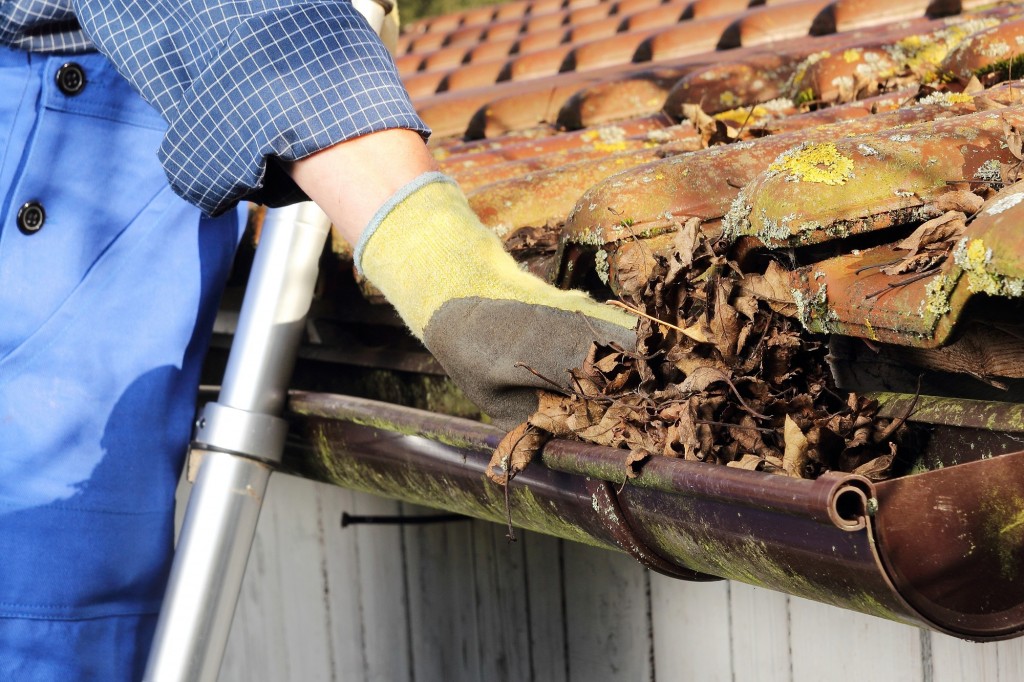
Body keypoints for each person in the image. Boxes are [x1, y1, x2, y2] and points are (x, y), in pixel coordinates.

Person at [0, 0, 636, 678]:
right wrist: (446, 270)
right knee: (38, 607)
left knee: (75, 616)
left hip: (126, 131)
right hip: (63, 135)